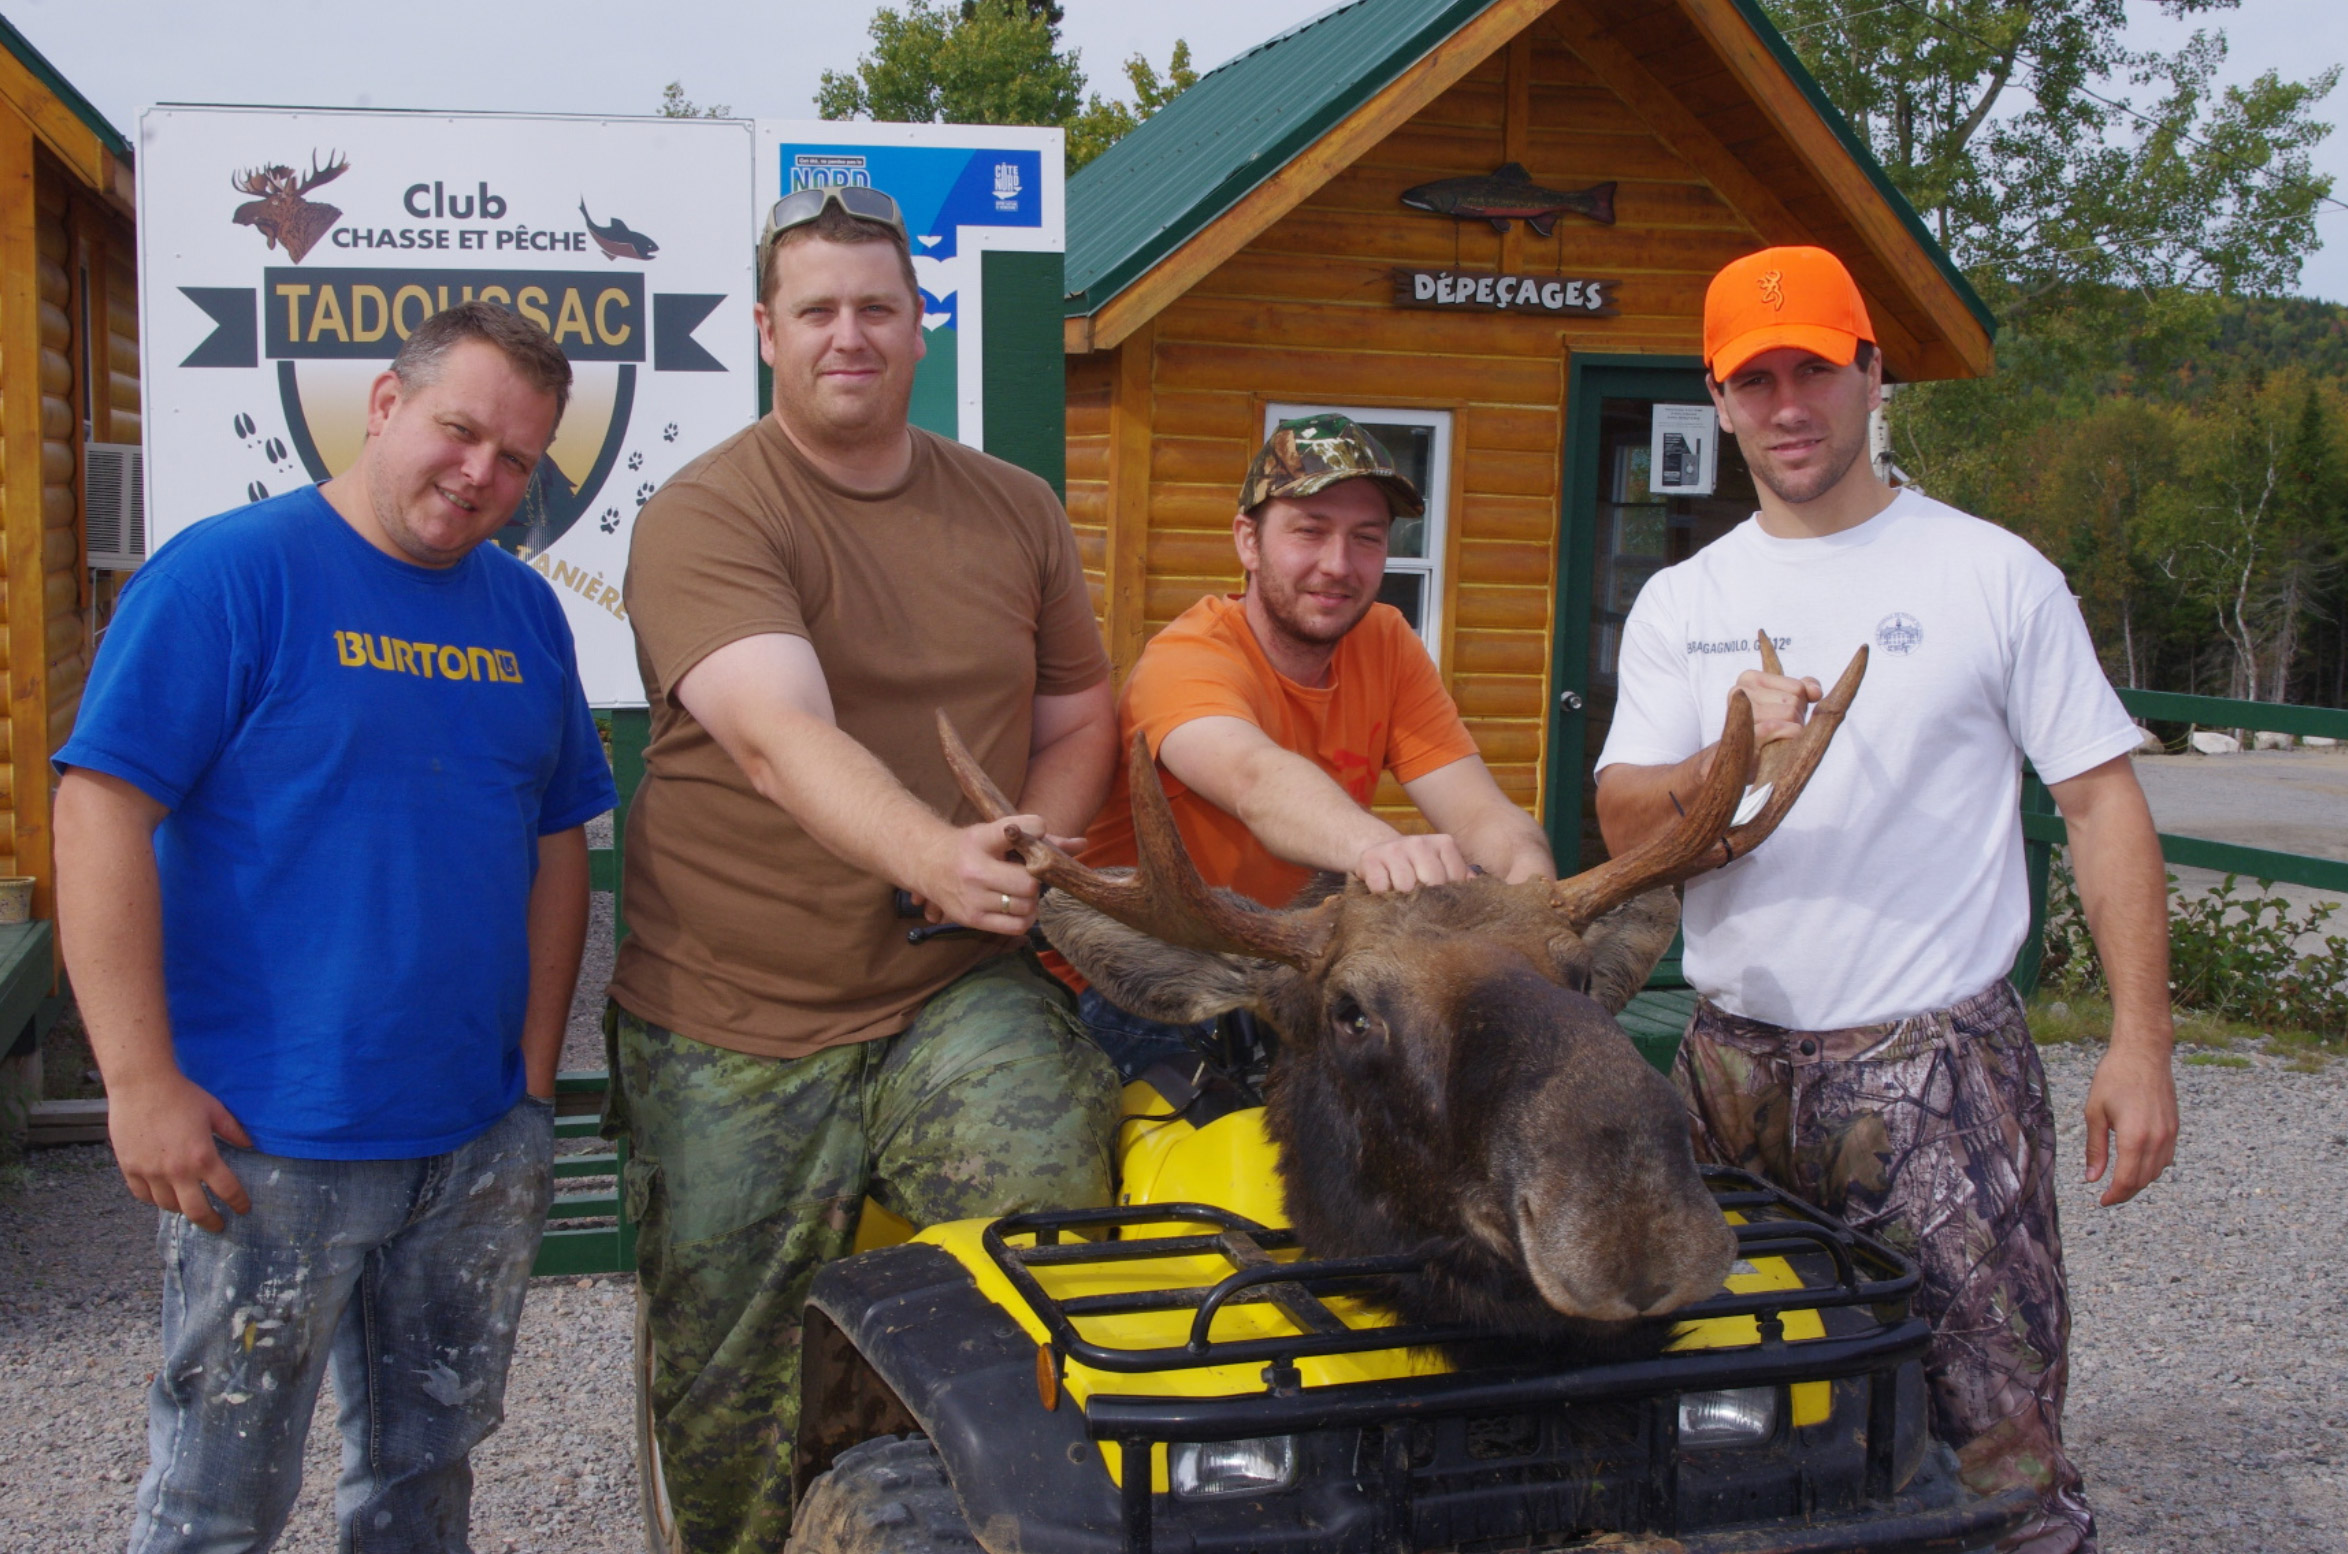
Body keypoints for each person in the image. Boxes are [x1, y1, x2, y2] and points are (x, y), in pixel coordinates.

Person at [1593, 245, 2178, 1554]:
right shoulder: (1689, 602)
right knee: (1718, 1415)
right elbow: (1627, 820)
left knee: (1989, 1437)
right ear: (1720, 399)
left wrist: (2142, 1042)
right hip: (1728, 1067)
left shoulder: (1991, 575)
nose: (1788, 405)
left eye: (1815, 370)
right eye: (1758, 379)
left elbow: (2102, 805)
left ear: (1872, 374)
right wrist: (1726, 758)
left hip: (1937, 1069)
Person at [54, 301, 615, 1553]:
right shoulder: (229, 573)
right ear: (382, 405)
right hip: (268, 1144)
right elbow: (97, 814)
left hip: (470, 1142)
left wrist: (528, 1079)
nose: (482, 475)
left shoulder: (524, 615)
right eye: (459, 430)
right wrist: (139, 1082)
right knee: (214, 1501)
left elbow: (556, 839)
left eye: (516, 458)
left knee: (423, 1488)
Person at [609, 185, 1120, 1552]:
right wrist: (934, 855)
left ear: (919, 326)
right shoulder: (708, 514)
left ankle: (1023, 1517)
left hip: (950, 995)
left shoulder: (1014, 509)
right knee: (725, 1402)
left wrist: (1034, 845)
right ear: (768, 332)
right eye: (820, 310)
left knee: (1063, 1244)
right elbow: (778, 735)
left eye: (878, 308)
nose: (852, 333)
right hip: (733, 1012)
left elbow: (1080, 714)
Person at [1068, 414, 1556, 1076]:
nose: (1338, 566)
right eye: (1309, 532)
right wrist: (1379, 849)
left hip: (1299, 974)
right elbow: (1255, 780)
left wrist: (1534, 901)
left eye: (1366, 539)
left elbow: (1478, 813)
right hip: (1146, 984)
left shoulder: (1385, 642)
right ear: (1248, 541)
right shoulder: (1187, 659)